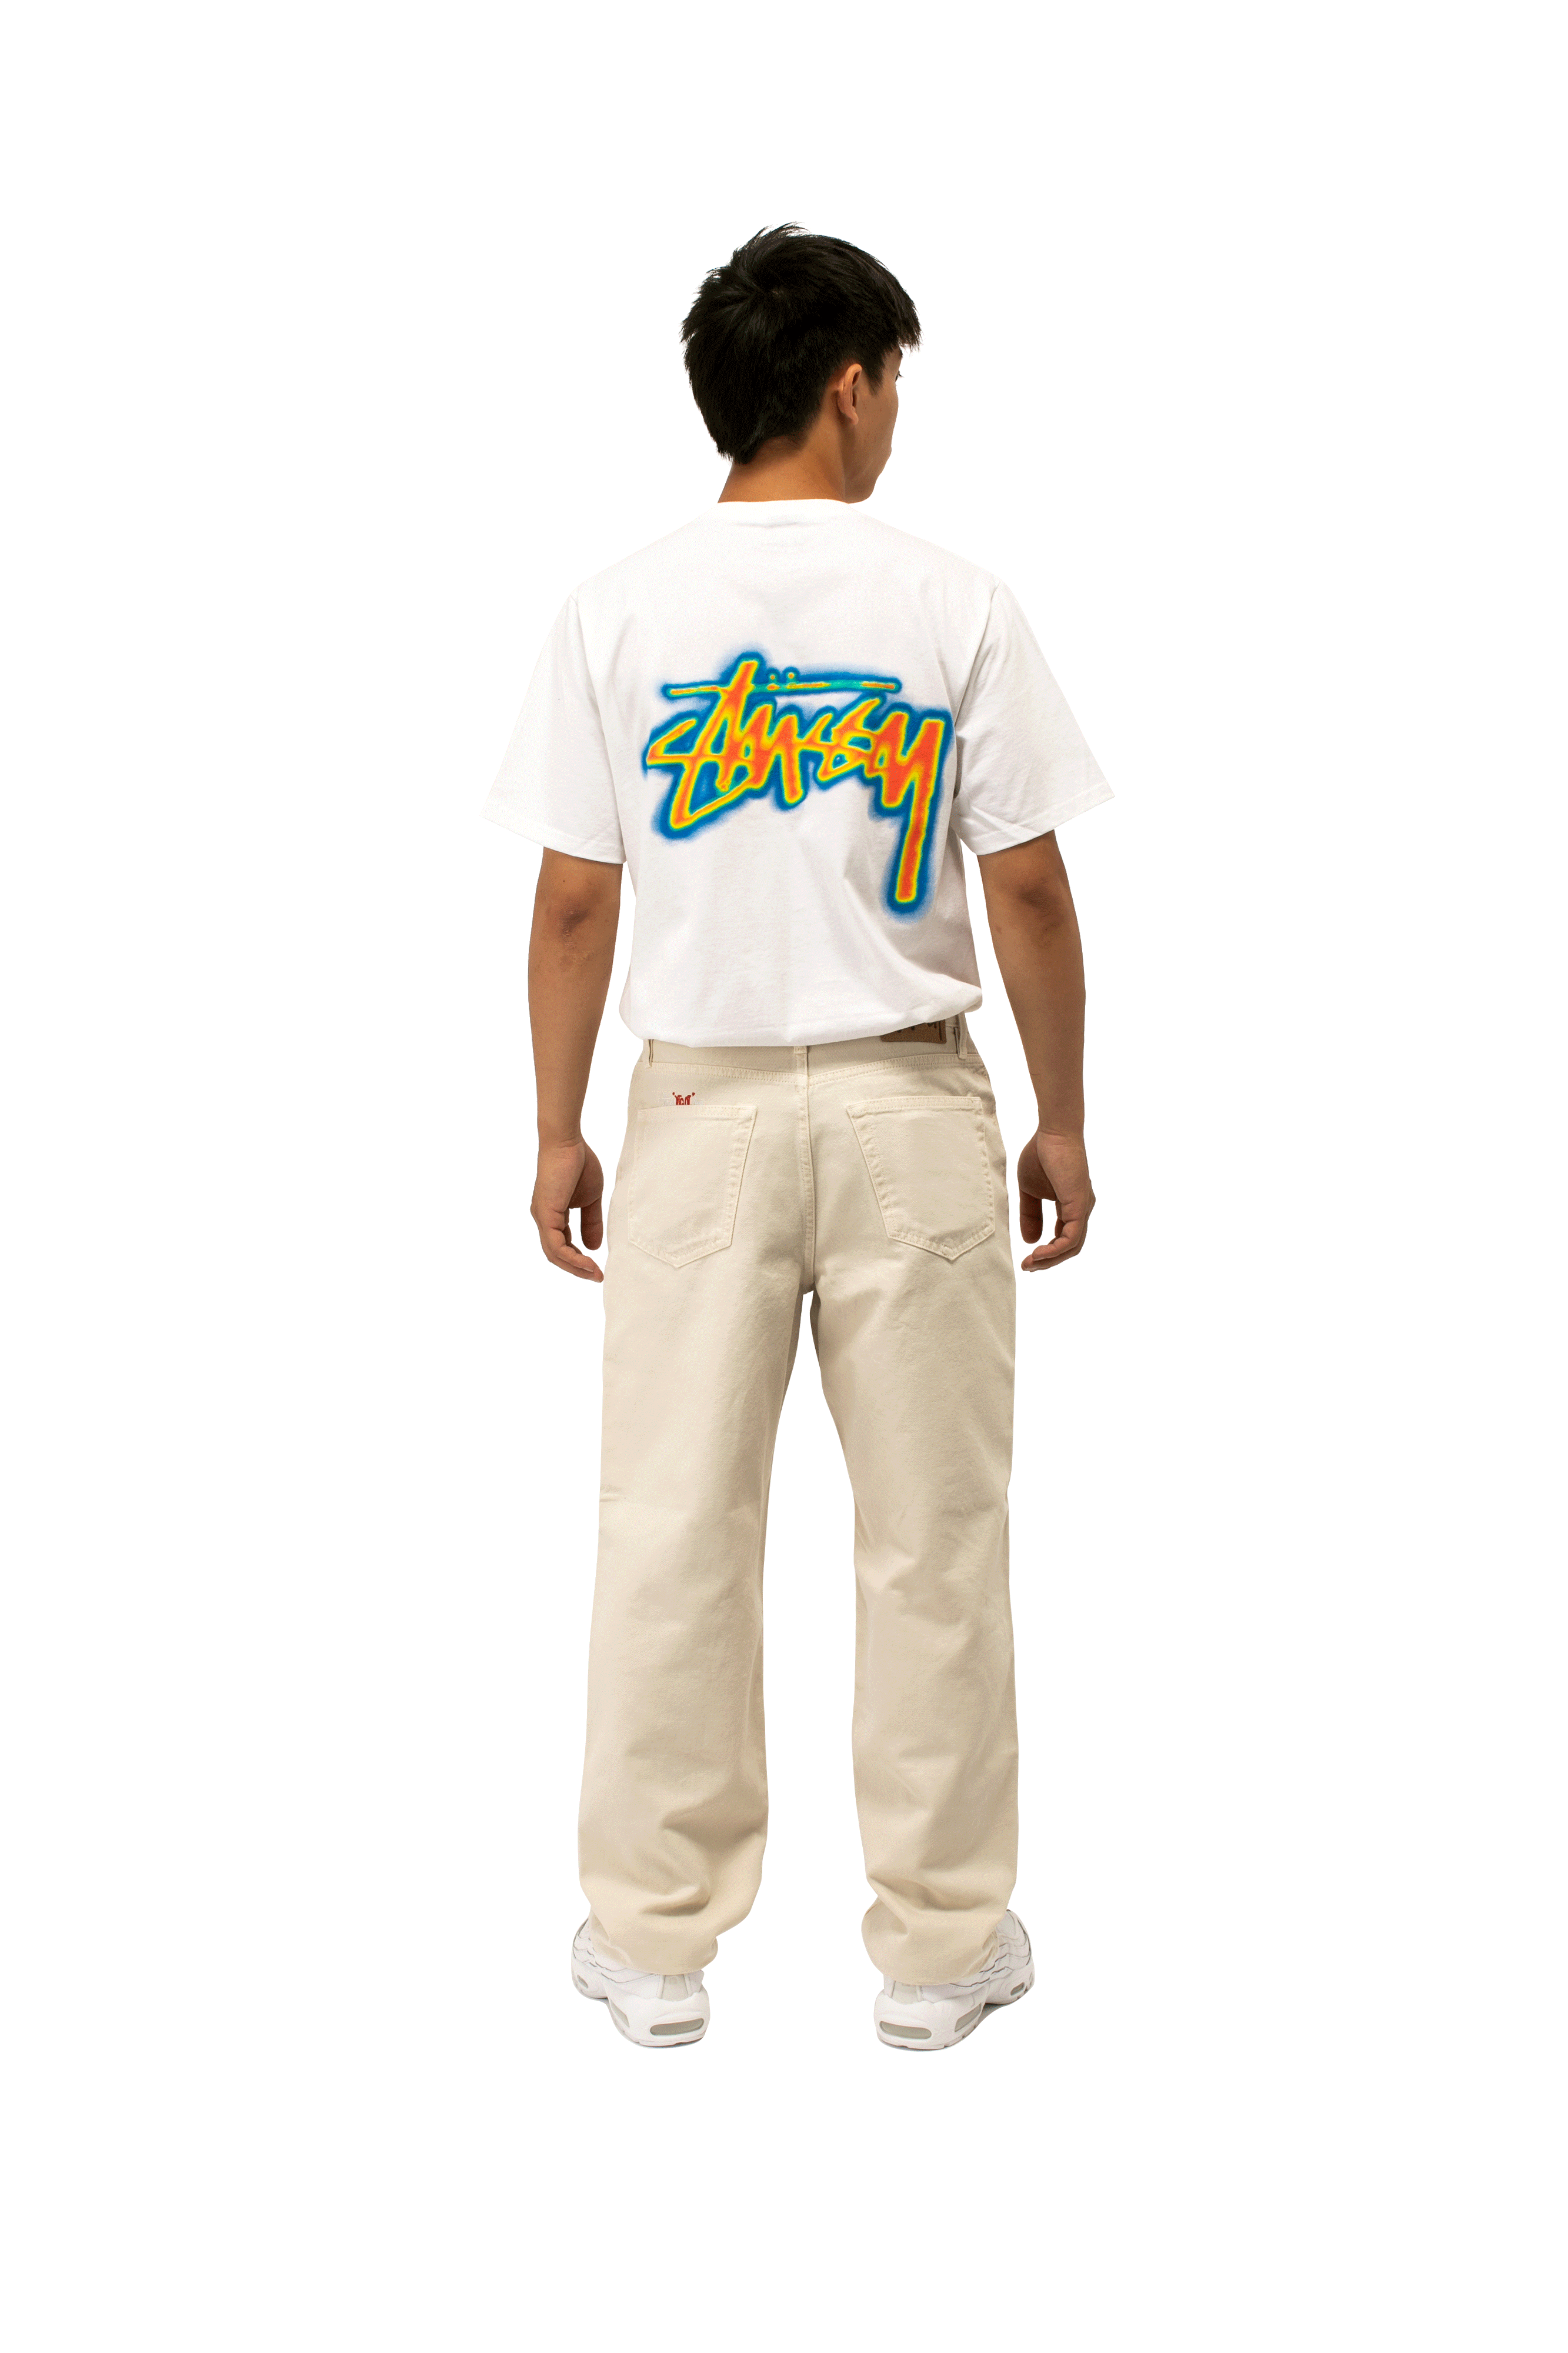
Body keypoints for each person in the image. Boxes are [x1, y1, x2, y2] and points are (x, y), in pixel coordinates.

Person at [485, 226, 1111, 2052]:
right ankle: (939, 1950)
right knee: (937, 1535)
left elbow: (575, 902)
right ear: (848, 382)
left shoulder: (616, 610)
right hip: (914, 1104)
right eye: (895, 381)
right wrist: (1065, 1113)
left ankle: (653, 1943)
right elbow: (1030, 889)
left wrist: (555, 1126)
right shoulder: (952, 603)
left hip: (697, 1110)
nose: (897, 414)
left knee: (672, 1524)